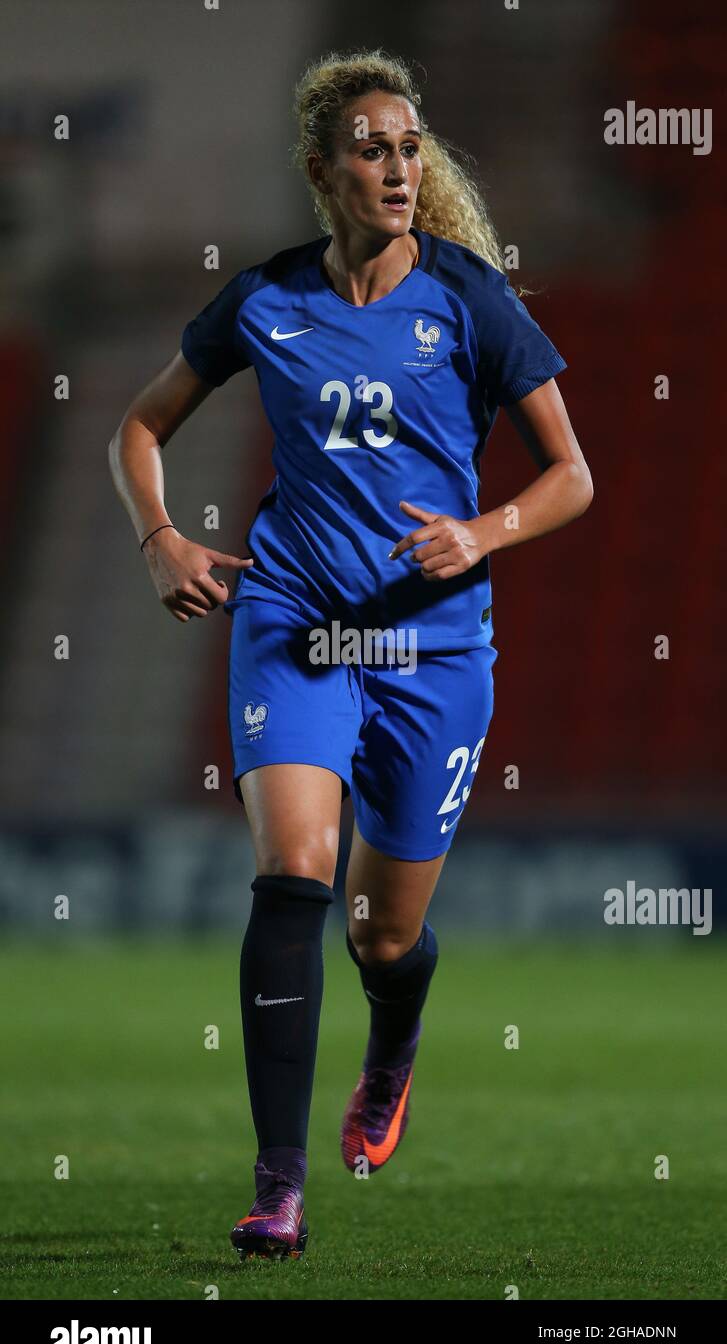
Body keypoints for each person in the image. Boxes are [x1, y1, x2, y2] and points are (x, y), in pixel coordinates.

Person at [109, 48, 593, 1262]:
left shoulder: (471, 300)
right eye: (370, 146)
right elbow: (140, 423)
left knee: (381, 936)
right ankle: (277, 1187)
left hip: (432, 650)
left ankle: (390, 1054)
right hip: (297, 627)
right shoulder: (265, 300)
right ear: (323, 171)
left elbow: (572, 475)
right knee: (295, 872)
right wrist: (161, 534)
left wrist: (481, 530)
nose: (395, 164)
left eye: (409, 145)